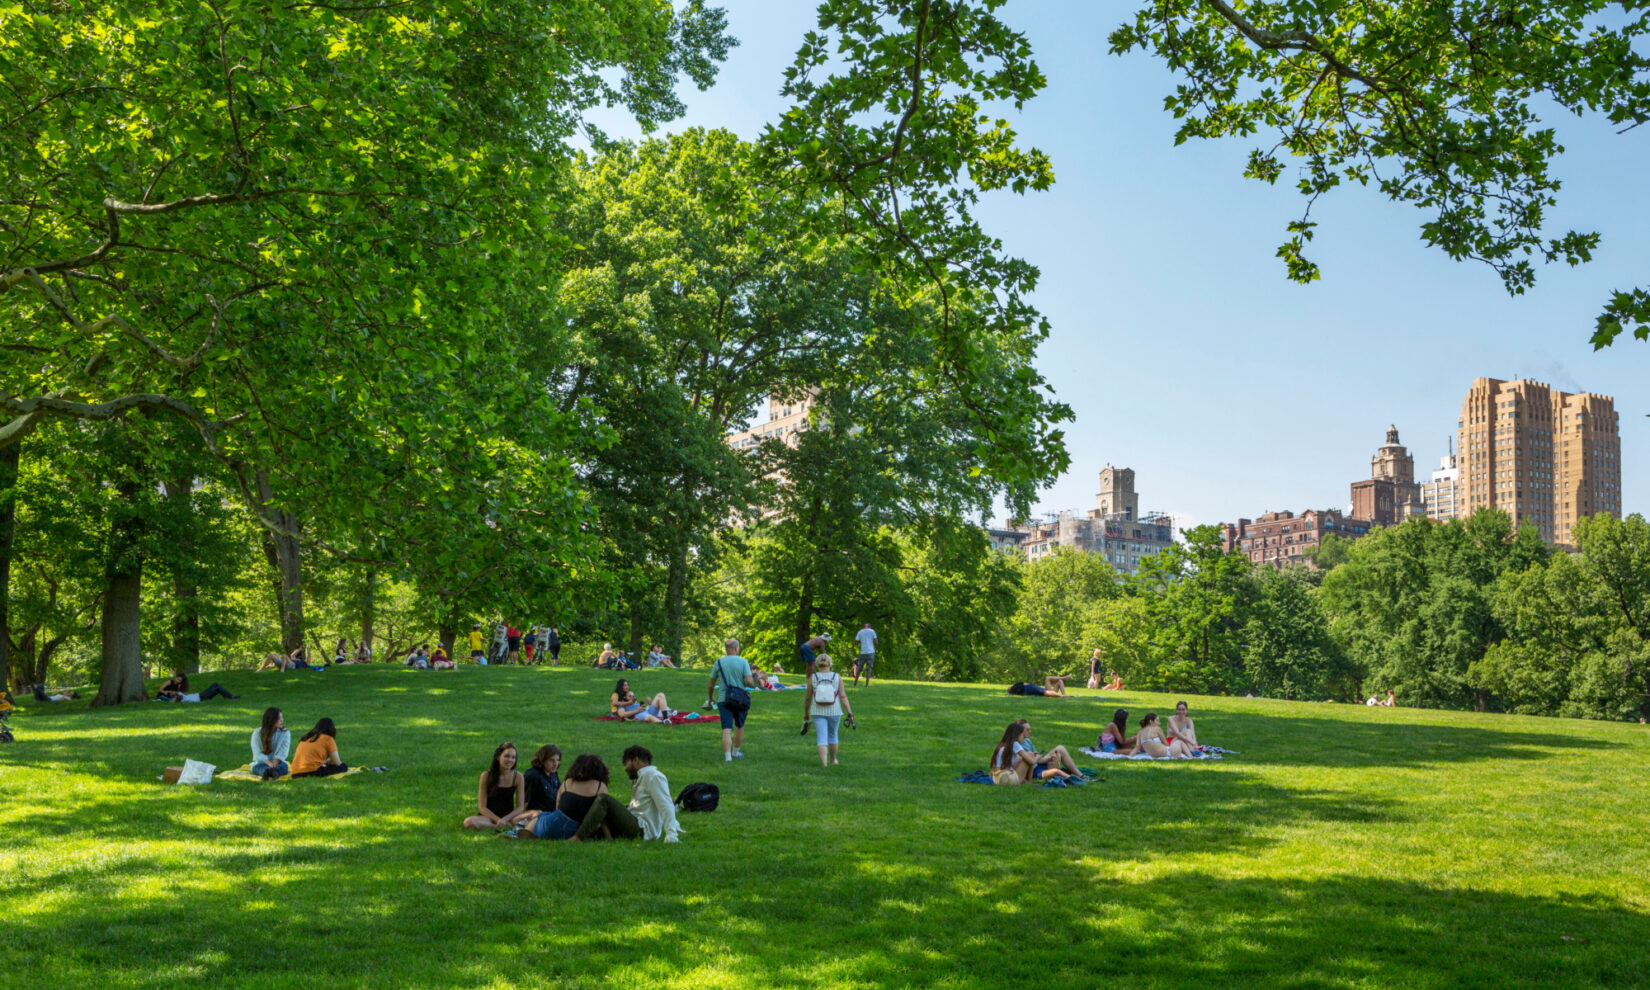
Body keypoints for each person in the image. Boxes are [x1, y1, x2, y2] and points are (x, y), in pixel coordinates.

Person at [523, 753, 641, 841]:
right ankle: (524, 831)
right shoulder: (600, 786)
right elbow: (602, 815)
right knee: (543, 816)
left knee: (541, 816)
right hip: (574, 830)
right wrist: (608, 836)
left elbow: (558, 809)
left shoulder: (567, 783)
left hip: (552, 825)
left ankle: (524, 831)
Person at [463, 742, 531, 830]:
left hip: (509, 817)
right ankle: (498, 826)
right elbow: (482, 807)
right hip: (489, 817)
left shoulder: (518, 777)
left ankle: (506, 825)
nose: (510, 760)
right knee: (468, 822)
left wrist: (505, 819)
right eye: (506, 756)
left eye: (513, 757)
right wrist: (498, 820)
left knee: (534, 815)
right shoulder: (486, 775)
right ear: (498, 757)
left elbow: (520, 807)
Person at [708, 638, 756, 762]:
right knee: (740, 726)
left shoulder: (718, 663)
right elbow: (749, 681)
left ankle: (727, 757)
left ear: (726, 649)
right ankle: (736, 752)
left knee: (726, 729)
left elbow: (711, 684)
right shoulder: (743, 661)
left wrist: (710, 697)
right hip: (740, 699)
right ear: (736, 648)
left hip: (724, 699)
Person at [802, 654, 855, 766]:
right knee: (833, 736)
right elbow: (843, 697)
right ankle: (832, 760)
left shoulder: (813, 677)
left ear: (817, 664)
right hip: (834, 711)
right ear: (830, 663)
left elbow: (808, 698)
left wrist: (806, 713)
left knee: (821, 737)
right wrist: (849, 713)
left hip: (817, 711)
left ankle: (824, 764)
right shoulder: (837, 677)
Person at [623, 745, 682, 842]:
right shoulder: (642, 777)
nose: (625, 768)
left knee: (605, 799)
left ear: (636, 760)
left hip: (642, 827)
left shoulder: (653, 776)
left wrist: (671, 834)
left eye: (626, 763)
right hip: (635, 820)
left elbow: (665, 804)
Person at [1012, 720, 1079, 781]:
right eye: (1027, 730)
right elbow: (1026, 763)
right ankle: (1066, 778)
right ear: (1020, 731)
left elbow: (1037, 760)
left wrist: (1048, 759)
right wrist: (1036, 758)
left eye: (1030, 729)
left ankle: (1080, 775)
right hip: (1033, 771)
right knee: (1055, 768)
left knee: (1059, 749)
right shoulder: (1016, 745)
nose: (1030, 731)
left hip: (1038, 765)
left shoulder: (1027, 741)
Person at [250, 707, 290, 779]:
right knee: (258, 768)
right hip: (262, 763)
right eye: (278, 719)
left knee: (283, 767)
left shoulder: (285, 733)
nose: (282, 720)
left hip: (278, 763)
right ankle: (269, 773)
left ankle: (271, 774)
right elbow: (257, 753)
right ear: (271, 720)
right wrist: (269, 763)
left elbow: (283, 752)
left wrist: (274, 763)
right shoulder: (257, 733)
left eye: (282, 718)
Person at [523, 745, 563, 813]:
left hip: (555, 813)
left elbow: (561, 792)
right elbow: (524, 802)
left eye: (557, 760)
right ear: (542, 760)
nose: (555, 764)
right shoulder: (532, 776)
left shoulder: (553, 773)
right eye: (551, 760)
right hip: (539, 816)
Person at [157, 674, 238, 702]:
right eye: (171, 693)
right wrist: (170, 694)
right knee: (216, 685)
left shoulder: (179, 693)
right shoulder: (177, 698)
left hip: (200, 695)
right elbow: (167, 699)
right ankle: (230, 697)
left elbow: (184, 693)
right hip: (200, 698)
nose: (172, 692)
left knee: (216, 686)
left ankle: (228, 696)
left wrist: (176, 691)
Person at [1006, 676, 1070, 698]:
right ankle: (1063, 696)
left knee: (1057, 680)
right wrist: (1060, 696)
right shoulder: (1018, 688)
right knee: (1047, 691)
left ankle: (1064, 679)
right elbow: (1046, 693)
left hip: (1039, 688)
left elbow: (1025, 683)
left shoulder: (1017, 687)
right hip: (1039, 690)